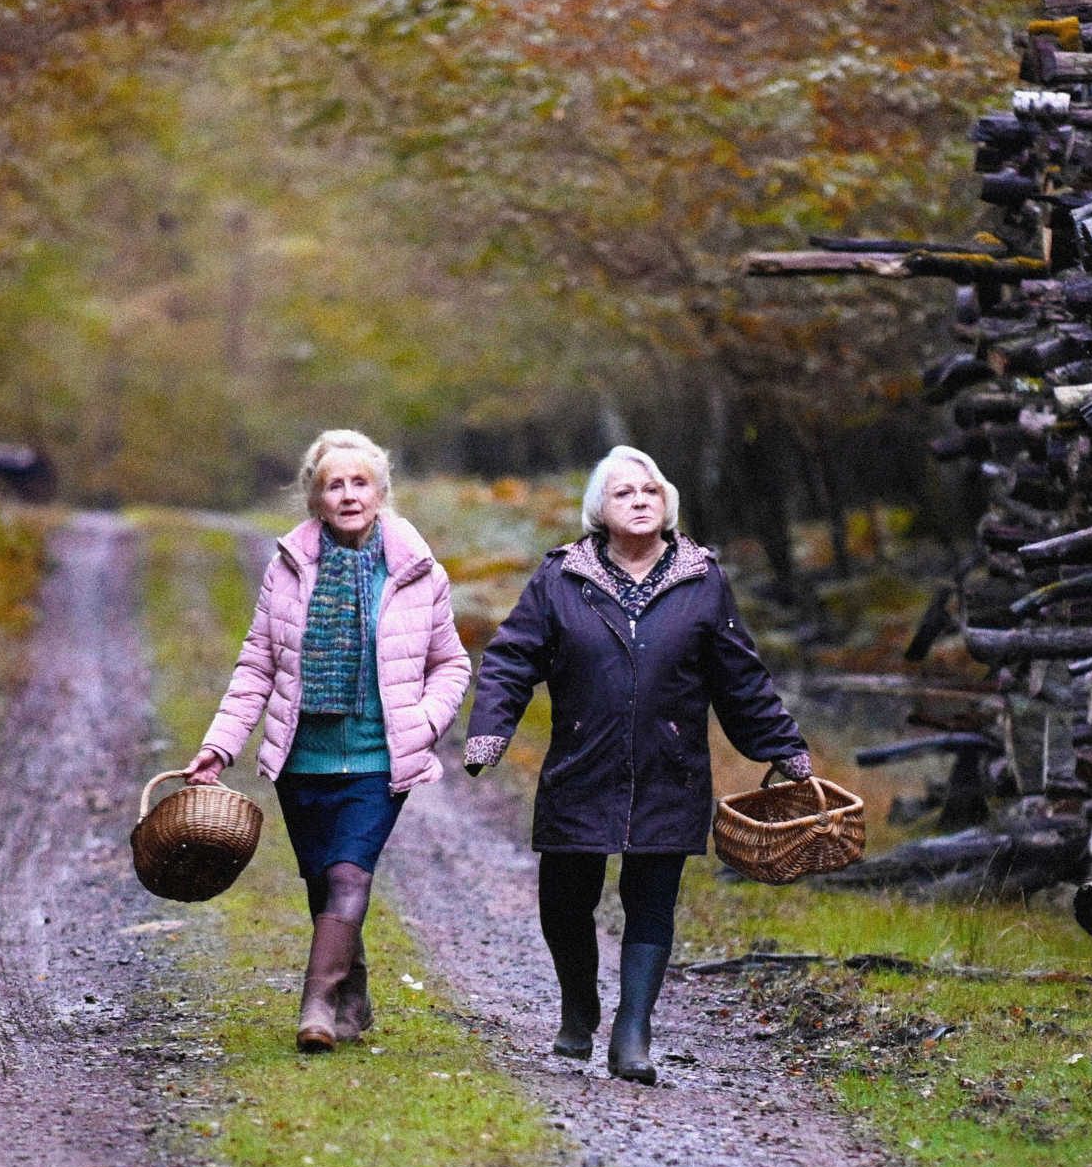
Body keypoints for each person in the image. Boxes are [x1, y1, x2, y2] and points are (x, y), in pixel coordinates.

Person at [463, 445, 811, 1084]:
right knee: (565, 898)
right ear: (601, 508)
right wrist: (490, 732)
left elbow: (740, 676)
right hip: (580, 761)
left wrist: (785, 749)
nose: (641, 500)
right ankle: (578, 1004)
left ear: (668, 501)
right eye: (625, 492)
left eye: (651, 489)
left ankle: (634, 1029)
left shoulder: (702, 578)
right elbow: (513, 658)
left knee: (652, 898)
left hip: (669, 766)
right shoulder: (561, 577)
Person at [183, 429, 471, 1053]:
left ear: (380, 492)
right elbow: (257, 666)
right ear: (315, 499)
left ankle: (315, 1003)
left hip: (378, 755)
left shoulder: (419, 572)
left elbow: (451, 665)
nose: (348, 495)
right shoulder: (287, 570)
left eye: (359, 483)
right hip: (302, 758)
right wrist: (221, 745)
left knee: (349, 874)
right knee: (322, 881)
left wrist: (423, 723)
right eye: (334, 485)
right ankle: (353, 991)